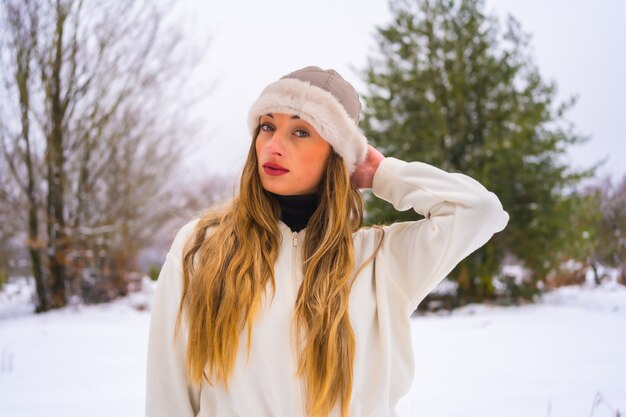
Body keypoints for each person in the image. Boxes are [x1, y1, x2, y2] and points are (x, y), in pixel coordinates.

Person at [145, 66, 509, 417]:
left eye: (301, 132)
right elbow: (169, 393)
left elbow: (480, 211)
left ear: (337, 154)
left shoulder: (382, 260)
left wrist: (382, 173)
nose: (273, 146)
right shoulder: (203, 245)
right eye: (267, 126)